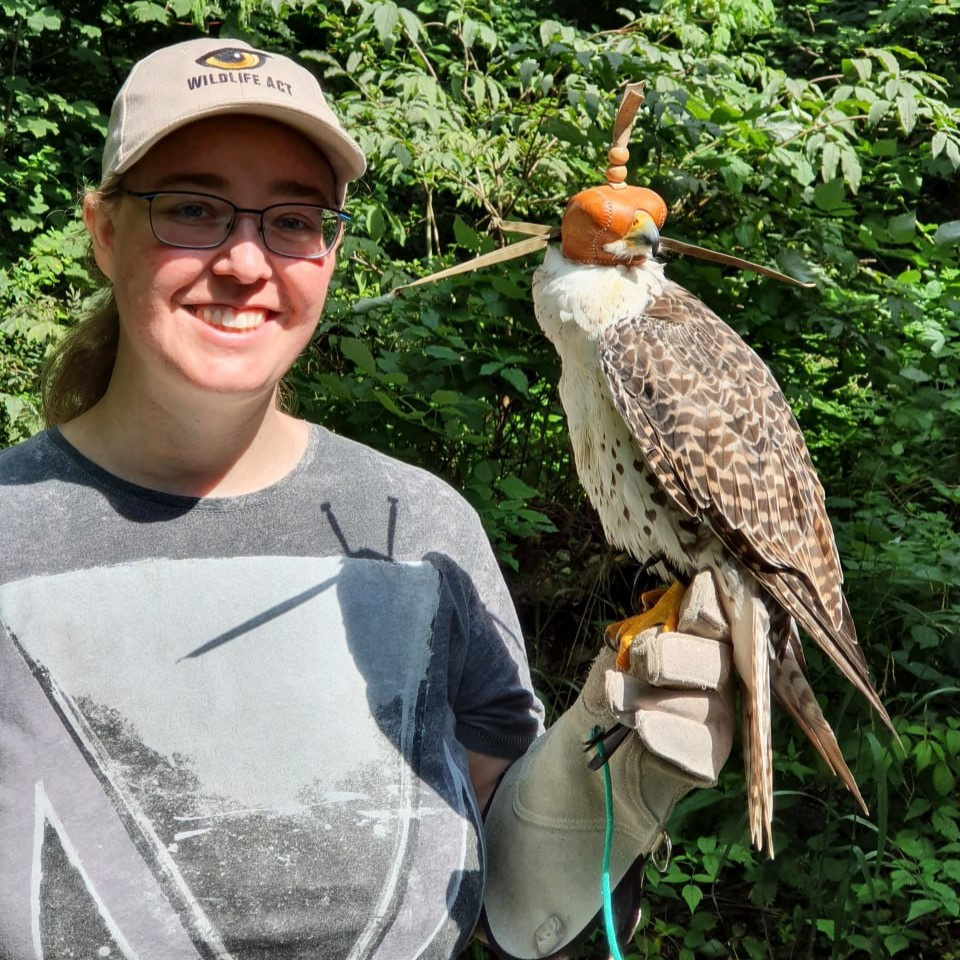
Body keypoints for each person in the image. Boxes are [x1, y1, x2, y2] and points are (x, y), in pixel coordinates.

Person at [0, 36, 734, 960]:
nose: (243, 261)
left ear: (330, 250)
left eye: (294, 220)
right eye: (191, 209)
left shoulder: (418, 528)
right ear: (104, 232)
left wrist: (610, 789)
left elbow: (508, 900)